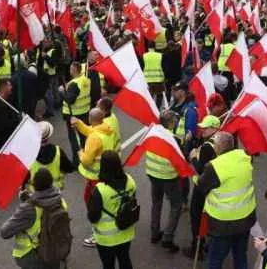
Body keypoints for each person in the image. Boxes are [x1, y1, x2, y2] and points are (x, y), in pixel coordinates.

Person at [197, 131, 256, 269]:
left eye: (214, 144)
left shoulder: (215, 166)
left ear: (219, 147)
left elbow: (202, 186)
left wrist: (195, 159)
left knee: (215, 259)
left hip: (223, 223)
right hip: (246, 218)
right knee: (240, 256)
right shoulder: (244, 157)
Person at [1, 167, 70, 269]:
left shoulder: (29, 208)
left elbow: (5, 232)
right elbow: (45, 202)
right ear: (51, 183)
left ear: (35, 185)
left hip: (32, 254)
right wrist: (29, 200)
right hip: (54, 249)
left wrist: (24, 205)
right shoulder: (61, 201)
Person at [72, 108, 117, 247]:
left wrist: (80, 153)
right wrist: (78, 123)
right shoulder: (106, 129)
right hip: (106, 175)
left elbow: (86, 160)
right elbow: (90, 131)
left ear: (91, 120)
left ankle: (97, 234)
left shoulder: (94, 138)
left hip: (95, 178)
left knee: (93, 206)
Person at [87, 151, 136, 269]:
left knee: (108, 265)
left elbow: (93, 217)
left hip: (106, 239)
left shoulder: (100, 190)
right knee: (125, 260)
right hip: (125, 231)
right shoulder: (130, 181)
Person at [182, 114, 221, 260]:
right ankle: (206, 242)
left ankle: (196, 247)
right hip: (215, 186)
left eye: (206, 127)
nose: (202, 129)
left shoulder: (207, 146)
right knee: (208, 215)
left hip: (202, 187)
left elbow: (201, 170)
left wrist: (193, 157)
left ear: (214, 128)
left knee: (196, 216)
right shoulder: (221, 141)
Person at [144, 111, 182, 252]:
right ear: (171, 123)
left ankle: (155, 233)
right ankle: (168, 237)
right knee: (176, 205)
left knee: (157, 202)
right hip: (168, 176)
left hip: (152, 173)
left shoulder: (153, 133)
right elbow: (181, 160)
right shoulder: (173, 139)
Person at [29, 121, 77, 190]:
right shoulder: (58, 151)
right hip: (55, 190)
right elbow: (69, 168)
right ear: (48, 136)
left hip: (36, 192)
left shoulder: (29, 154)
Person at [62, 62, 93, 165]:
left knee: (75, 140)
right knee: (84, 137)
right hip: (85, 112)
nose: (69, 70)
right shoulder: (85, 80)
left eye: (71, 69)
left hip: (73, 116)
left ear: (74, 70)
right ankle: (88, 156)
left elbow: (70, 100)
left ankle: (77, 162)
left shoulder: (74, 84)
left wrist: (63, 92)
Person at [0, 79, 21, 157]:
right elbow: (3, 125)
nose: (11, 87)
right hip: (2, 145)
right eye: (9, 85)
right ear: (3, 87)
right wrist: (18, 120)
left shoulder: (5, 101)